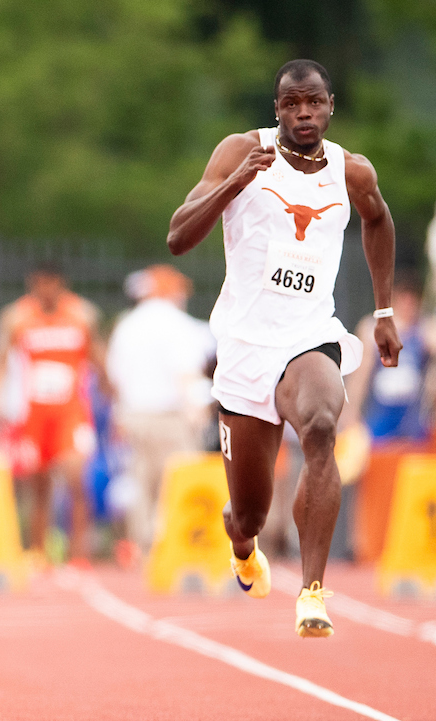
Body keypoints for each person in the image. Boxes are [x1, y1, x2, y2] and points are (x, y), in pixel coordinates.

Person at [167, 59, 401, 637]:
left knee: (323, 426)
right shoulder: (242, 152)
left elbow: (379, 220)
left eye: (314, 103)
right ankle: (242, 545)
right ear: (277, 108)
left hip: (308, 334)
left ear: (329, 106)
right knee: (248, 511)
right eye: (292, 104)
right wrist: (234, 182)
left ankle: (312, 592)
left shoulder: (352, 171)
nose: (304, 113)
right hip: (246, 346)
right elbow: (178, 236)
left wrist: (385, 309)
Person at [0, 260, 106, 567]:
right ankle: (39, 551)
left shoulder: (82, 315)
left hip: (71, 411)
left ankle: (79, 553)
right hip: (34, 413)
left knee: (76, 478)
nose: (46, 290)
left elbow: (98, 358)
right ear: (33, 284)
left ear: (61, 284)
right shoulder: (17, 318)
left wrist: (110, 392)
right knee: (37, 484)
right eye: (41, 284)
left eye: (52, 283)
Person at [105, 264, 214, 560]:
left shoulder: (126, 325)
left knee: (141, 483)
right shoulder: (178, 325)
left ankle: (143, 549)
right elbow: (187, 374)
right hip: (170, 417)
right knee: (177, 484)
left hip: (133, 416)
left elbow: (113, 375)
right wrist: (198, 413)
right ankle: (178, 547)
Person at [345, 271, 435, 444]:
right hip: (381, 410)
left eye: (412, 301)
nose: (408, 306)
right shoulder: (373, 329)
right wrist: (351, 414)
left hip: (411, 414)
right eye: (404, 300)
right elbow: (359, 377)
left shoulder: (423, 329)